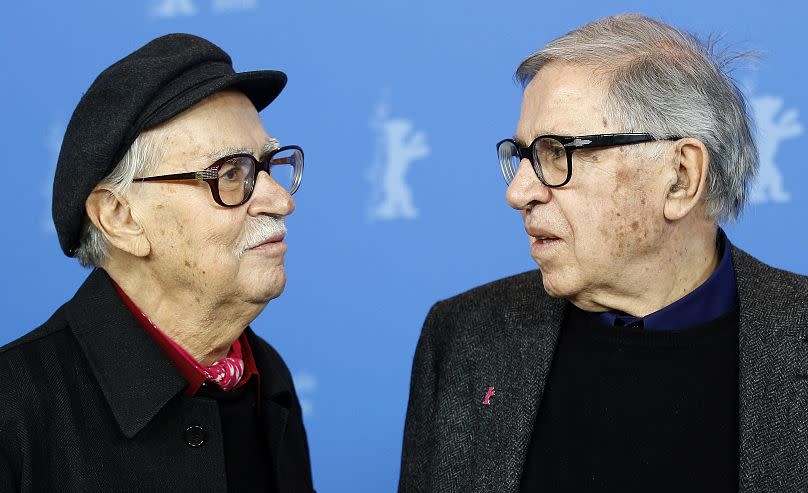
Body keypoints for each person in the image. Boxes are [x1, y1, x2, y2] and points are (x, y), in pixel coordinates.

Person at [399, 14, 808, 493]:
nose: (520, 192)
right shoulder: (462, 336)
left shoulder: (793, 333)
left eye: (558, 153)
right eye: (524, 155)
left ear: (680, 177)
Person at [0, 34, 314, 492]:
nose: (281, 200)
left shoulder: (266, 378)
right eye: (230, 174)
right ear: (120, 218)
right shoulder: (15, 412)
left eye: (267, 166)